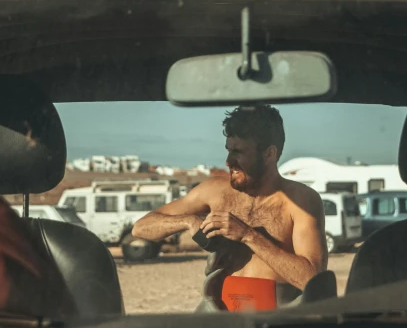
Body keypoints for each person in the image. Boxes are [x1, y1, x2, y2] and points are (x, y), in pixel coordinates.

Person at [132, 105, 327, 309]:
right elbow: (141, 228)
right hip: (218, 317)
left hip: (276, 320)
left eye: (238, 152)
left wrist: (248, 235)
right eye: (228, 150)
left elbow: (314, 280)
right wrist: (188, 221)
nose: (227, 161)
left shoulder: (301, 201)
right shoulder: (213, 192)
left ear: (269, 154)